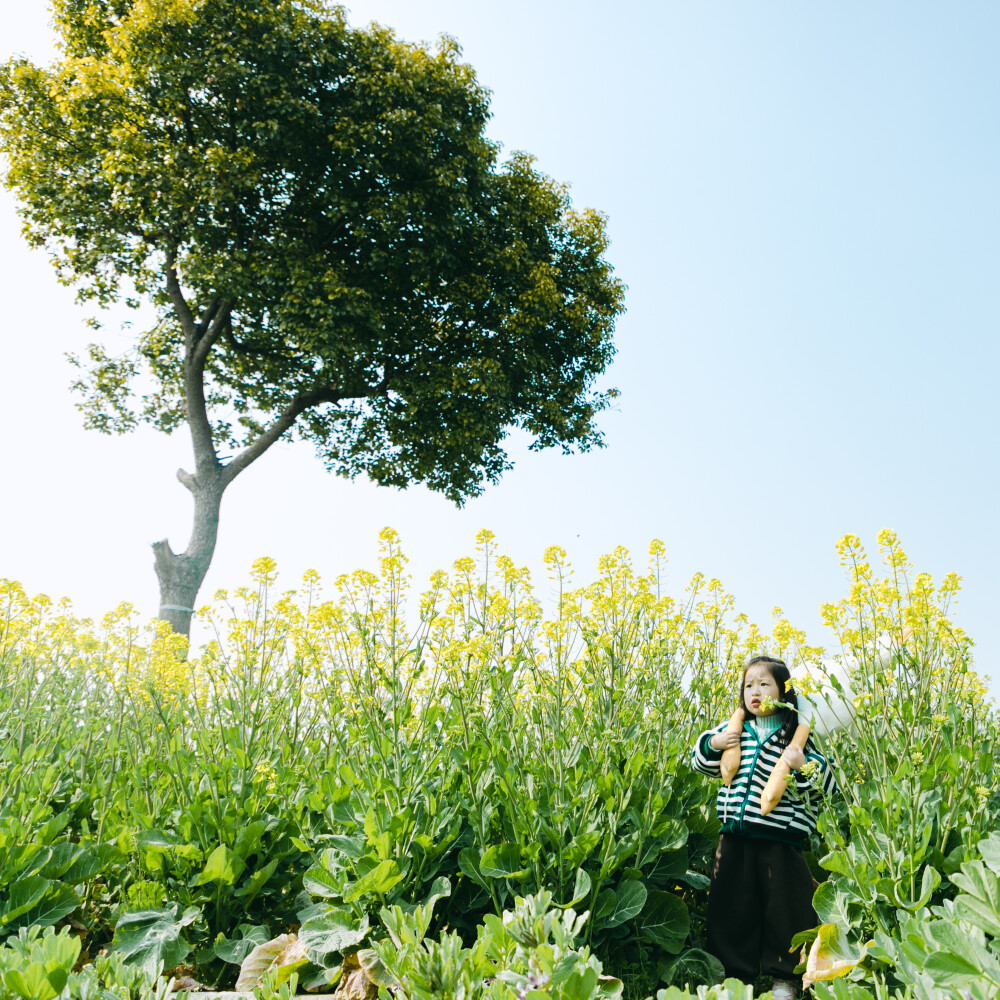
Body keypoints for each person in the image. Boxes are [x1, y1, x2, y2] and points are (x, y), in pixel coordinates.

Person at [691, 655, 837, 1000]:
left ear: (785, 694)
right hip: (734, 835)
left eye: (765, 684)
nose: (755, 691)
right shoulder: (733, 732)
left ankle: (784, 979)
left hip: (781, 838)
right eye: (749, 685)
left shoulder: (796, 738)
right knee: (731, 905)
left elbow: (825, 788)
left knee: (785, 907)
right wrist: (715, 744)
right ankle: (733, 977)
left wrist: (801, 766)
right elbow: (701, 762)